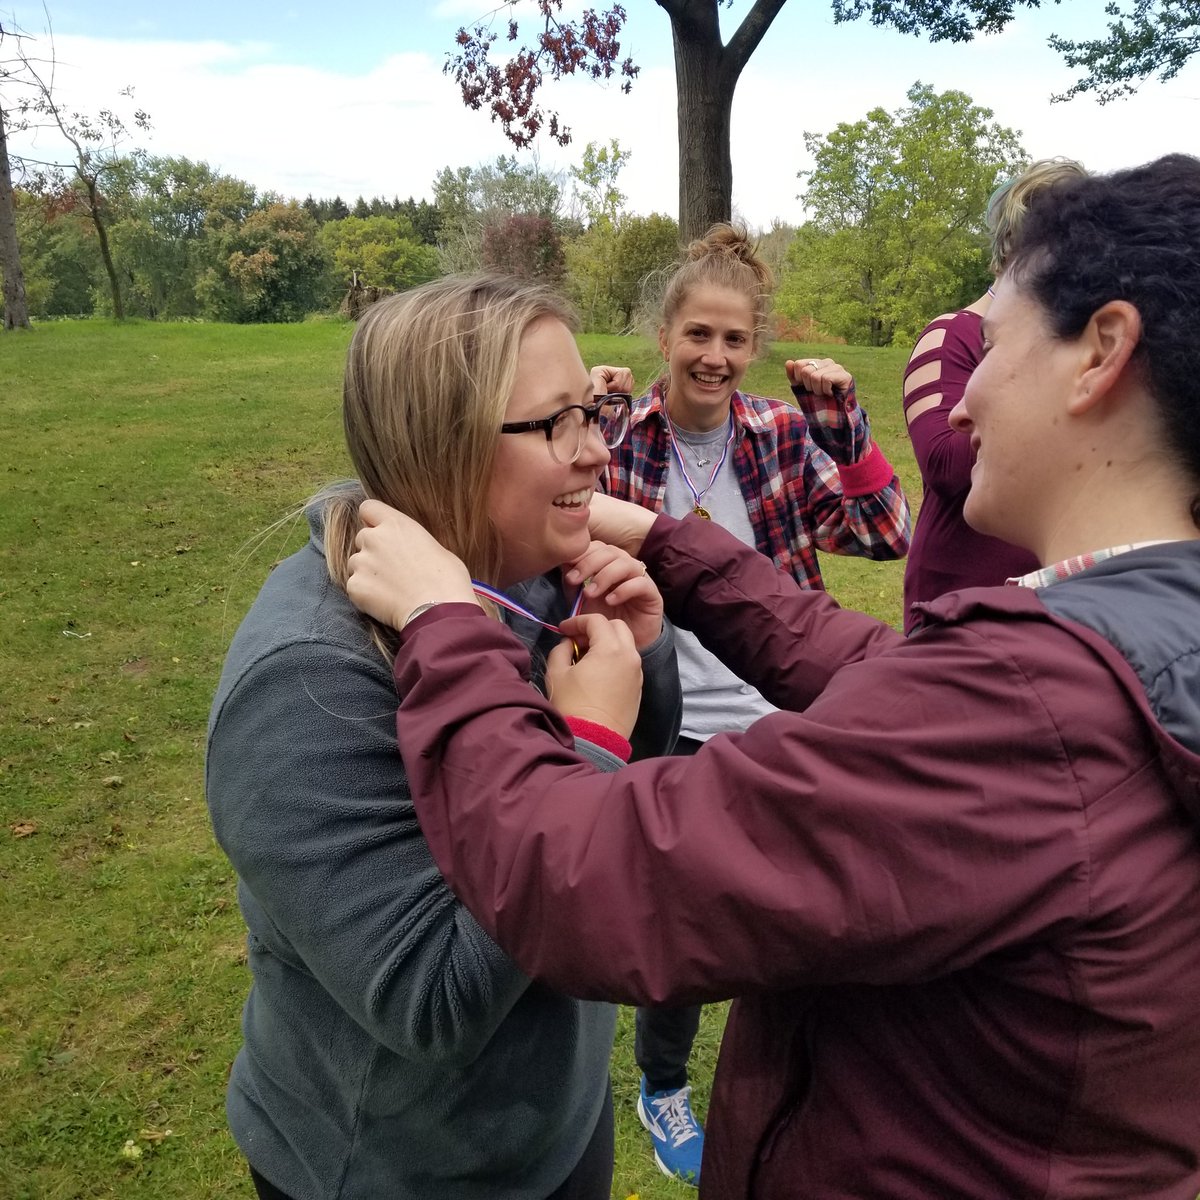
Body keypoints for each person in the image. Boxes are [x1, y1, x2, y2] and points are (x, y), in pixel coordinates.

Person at [345, 155, 1200, 1198]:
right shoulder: (1141, 631)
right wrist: (661, 538)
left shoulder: (1032, 708)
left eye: (990, 343)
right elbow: (881, 671)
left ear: (1099, 354)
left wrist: (443, 622)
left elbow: (581, 874)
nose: (962, 395)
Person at [204, 275, 681, 1200]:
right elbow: (430, 998)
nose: (596, 452)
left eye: (594, 412)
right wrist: (584, 739)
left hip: (556, 1123)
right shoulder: (306, 681)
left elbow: (625, 813)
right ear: (446, 443)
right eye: (557, 423)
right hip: (405, 1167)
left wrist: (643, 657)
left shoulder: (525, 572)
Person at [602, 222, 910, 1184]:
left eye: (735, 339)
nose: (716, 356)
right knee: (684, 920)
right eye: (698, 334)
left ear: (755, 347)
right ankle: (663, 1084)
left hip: (777, 712)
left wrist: (843, 425)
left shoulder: (779, 432)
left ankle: (788, 1078)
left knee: (797, 913)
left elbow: (884, 534)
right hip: (664, 714)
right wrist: (582, 413)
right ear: (665, 336)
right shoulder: (620, 436)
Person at [901, 157, 1086, 633]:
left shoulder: (1080, 345)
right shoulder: (950, 334)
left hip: (1061, 591)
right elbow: (943, 462)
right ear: (1013, 245)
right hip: (961, 592)